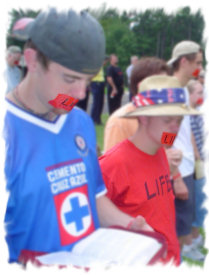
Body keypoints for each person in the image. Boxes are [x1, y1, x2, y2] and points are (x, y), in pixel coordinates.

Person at [4, 8, 151, 266]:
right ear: (33, 60)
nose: (81, 94)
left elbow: (94, 196)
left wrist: (129, 224)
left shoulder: (79, 120)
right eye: (70, 78)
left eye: (88, 80)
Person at [99, 75, 200, 266]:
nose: (175, 127)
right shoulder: (113, 164)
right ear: (143, 118)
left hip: (171, 258)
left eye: (179, 120)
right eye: (168, 120)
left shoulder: (160, 149)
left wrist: (175, 172)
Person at [167, 40, 204, 261]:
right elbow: (166, 135)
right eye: (197, 63)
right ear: (184, 61)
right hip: (178, 169)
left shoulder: (182, 91)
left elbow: (184, 129)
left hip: (188, 165)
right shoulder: (172, 92)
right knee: (179, 224)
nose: (198, 68)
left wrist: (196, 158)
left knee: (185, 219)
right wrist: (176, 175)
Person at [103, 57, 169, 153]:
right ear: (141, 86)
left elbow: (167, 146)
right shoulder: (119, 122)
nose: (166, 89)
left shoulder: (168, 116)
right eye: (160, 83)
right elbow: (112, 163)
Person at [187, 79, 207, 249]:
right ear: (190, 94)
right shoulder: (183, 114)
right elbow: (168, 139)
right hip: (193, 165)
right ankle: (191, 239)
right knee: (198, 201)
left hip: (199, 162)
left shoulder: (198, 112)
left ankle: (195, 235)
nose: (203, 95)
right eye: (199, 92)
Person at [90, 56, 109, 124]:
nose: (105, 63)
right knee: (96, 102)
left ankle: (98, 119)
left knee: (100, 103)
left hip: (101, 84)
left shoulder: (101, 67)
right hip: (96, 83)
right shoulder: (96, 65)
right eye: (105, 61)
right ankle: (93, 119)